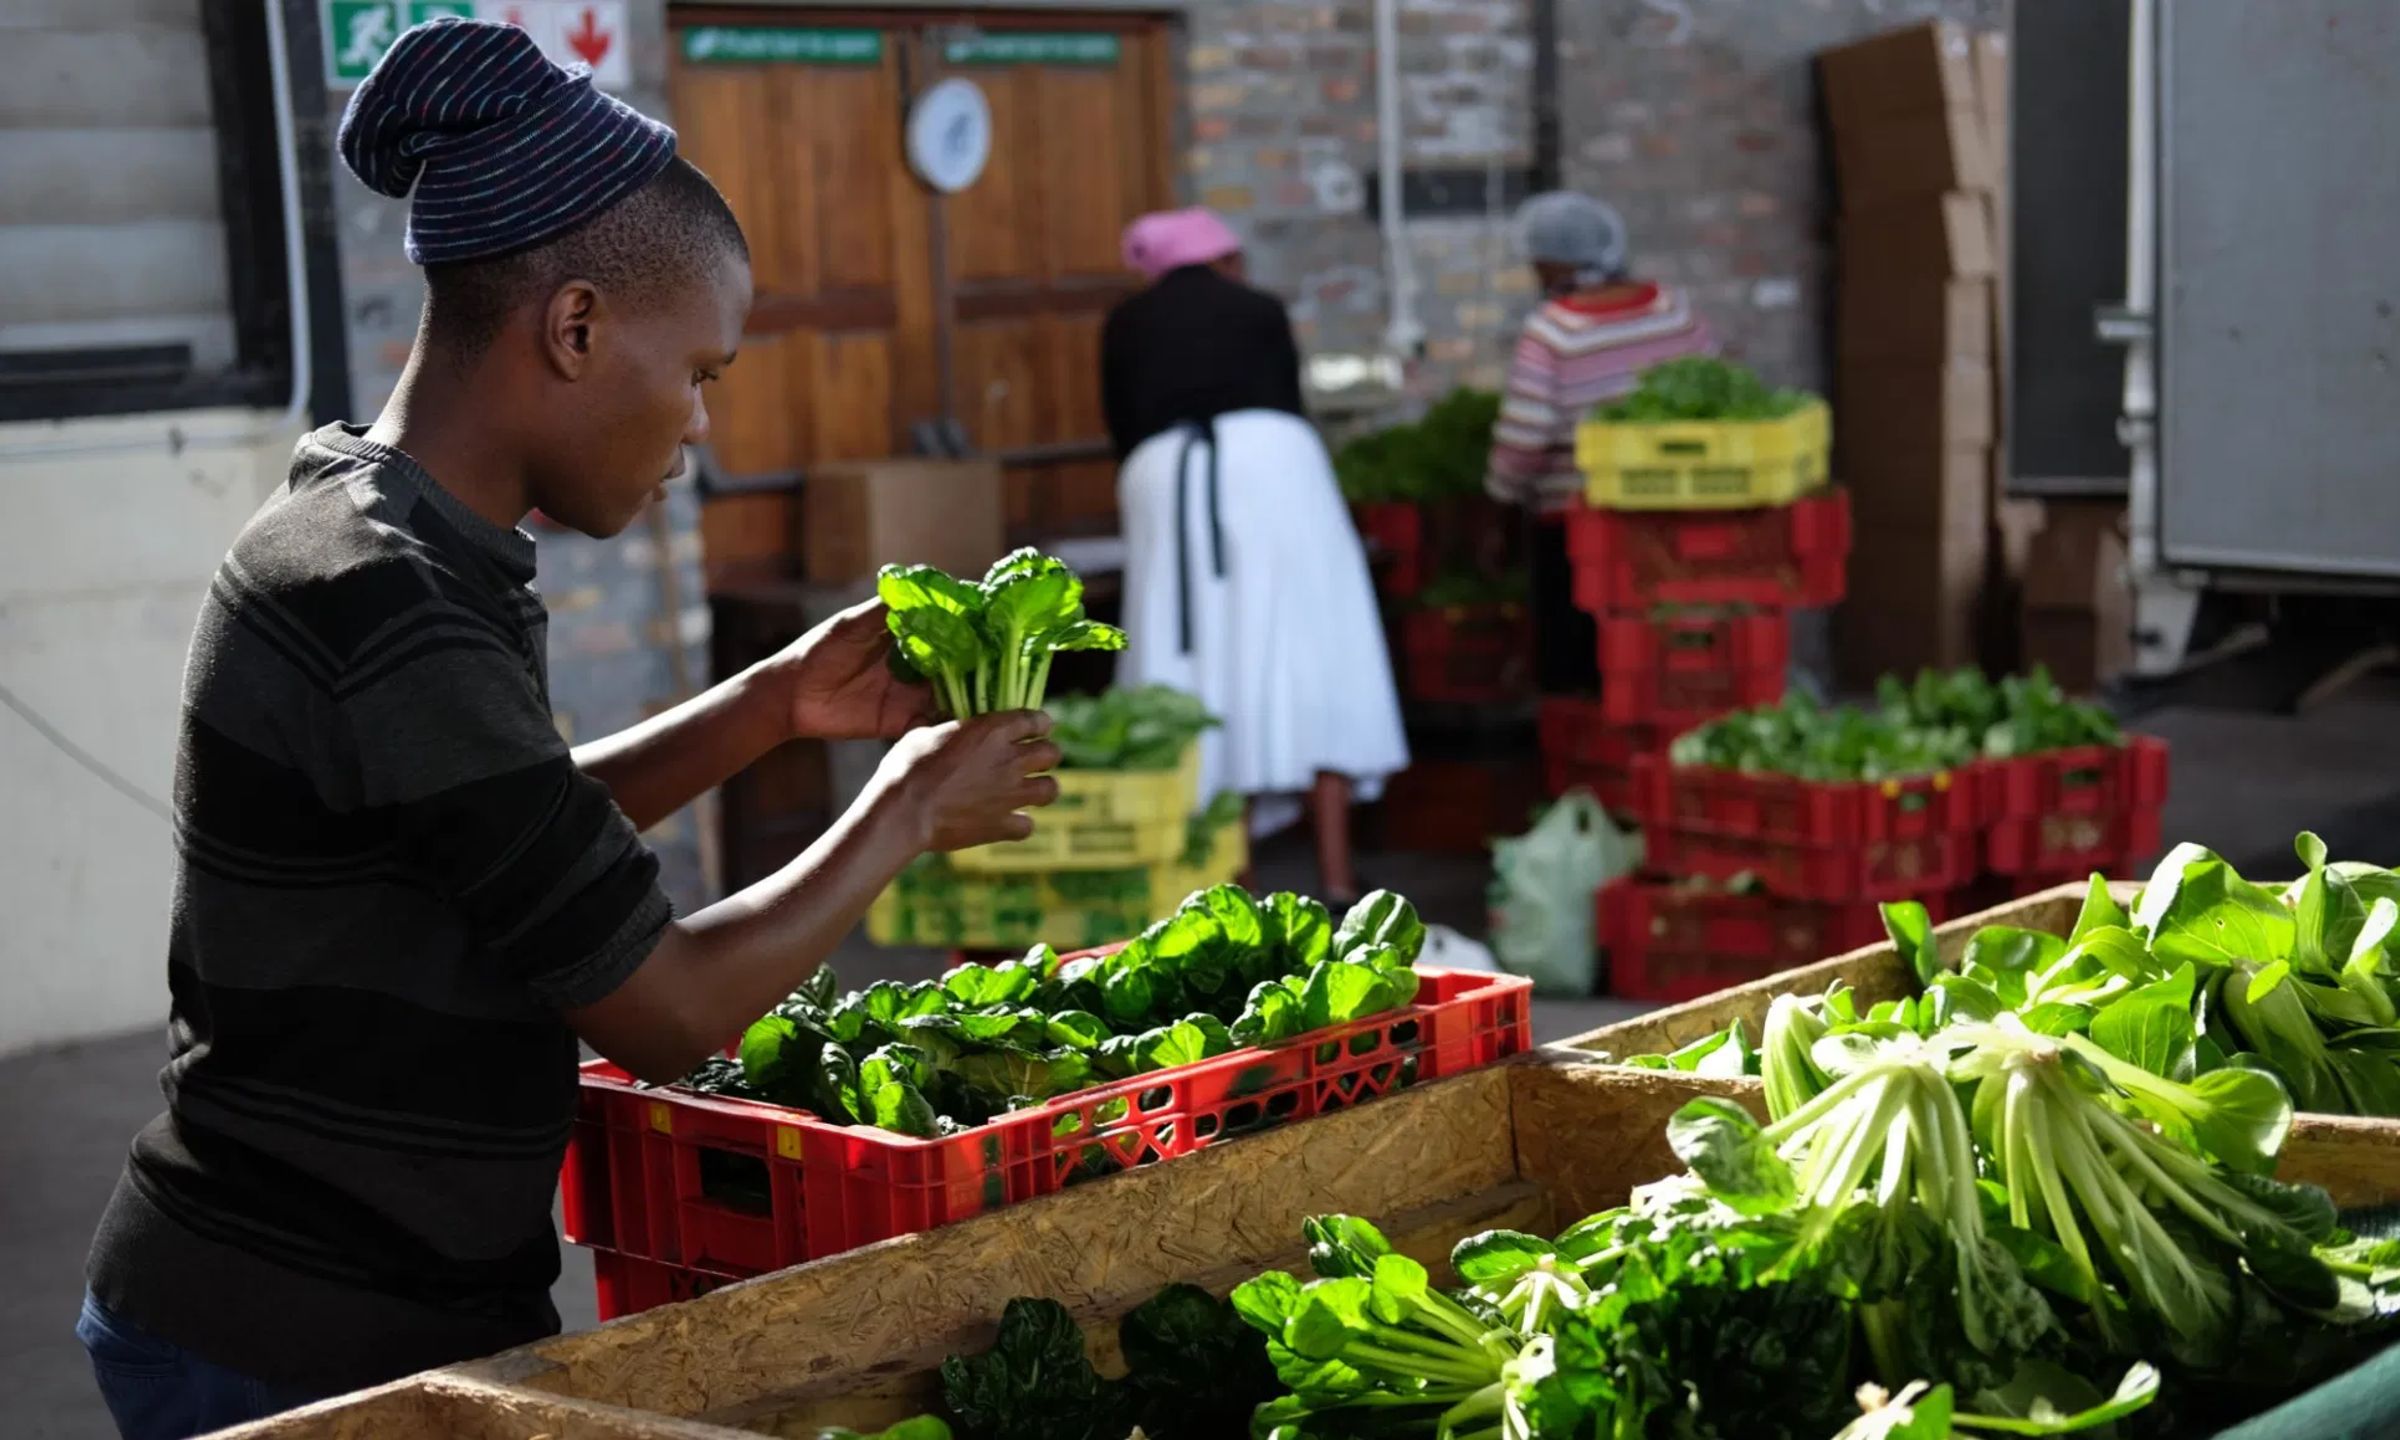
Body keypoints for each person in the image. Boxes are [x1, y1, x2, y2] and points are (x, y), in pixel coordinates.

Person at [75, 21, 1057, 1439]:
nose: (701, 427)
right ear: (577, 326)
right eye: (702, 374)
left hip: (367, 1297)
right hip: (284, 1330)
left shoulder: (395, 535)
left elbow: (485, 831)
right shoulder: (375, 594)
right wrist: (900, 806)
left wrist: (772, 703)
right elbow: (662, 1011)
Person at [1100, 208, 1408, 905]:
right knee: (1318, 660)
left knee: (1203, 675)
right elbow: (1287, 401)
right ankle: (1336, 879)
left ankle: (1235, 885)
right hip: (1279, 469)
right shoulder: (1261, 309)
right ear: (1221, 260)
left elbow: (1122, 429)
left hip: (1165, 479)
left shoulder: (1125, 323)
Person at [1486, 191, 1716, 693]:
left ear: (1551, 263)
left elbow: (1523, 440)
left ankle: (1589, 756)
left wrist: (1501, 509)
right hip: (1678, 520)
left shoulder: (1554, 331)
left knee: (1584, 667)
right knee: (1661, 656)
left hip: (1578, 528)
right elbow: (1716, 391)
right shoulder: (1674, 310)